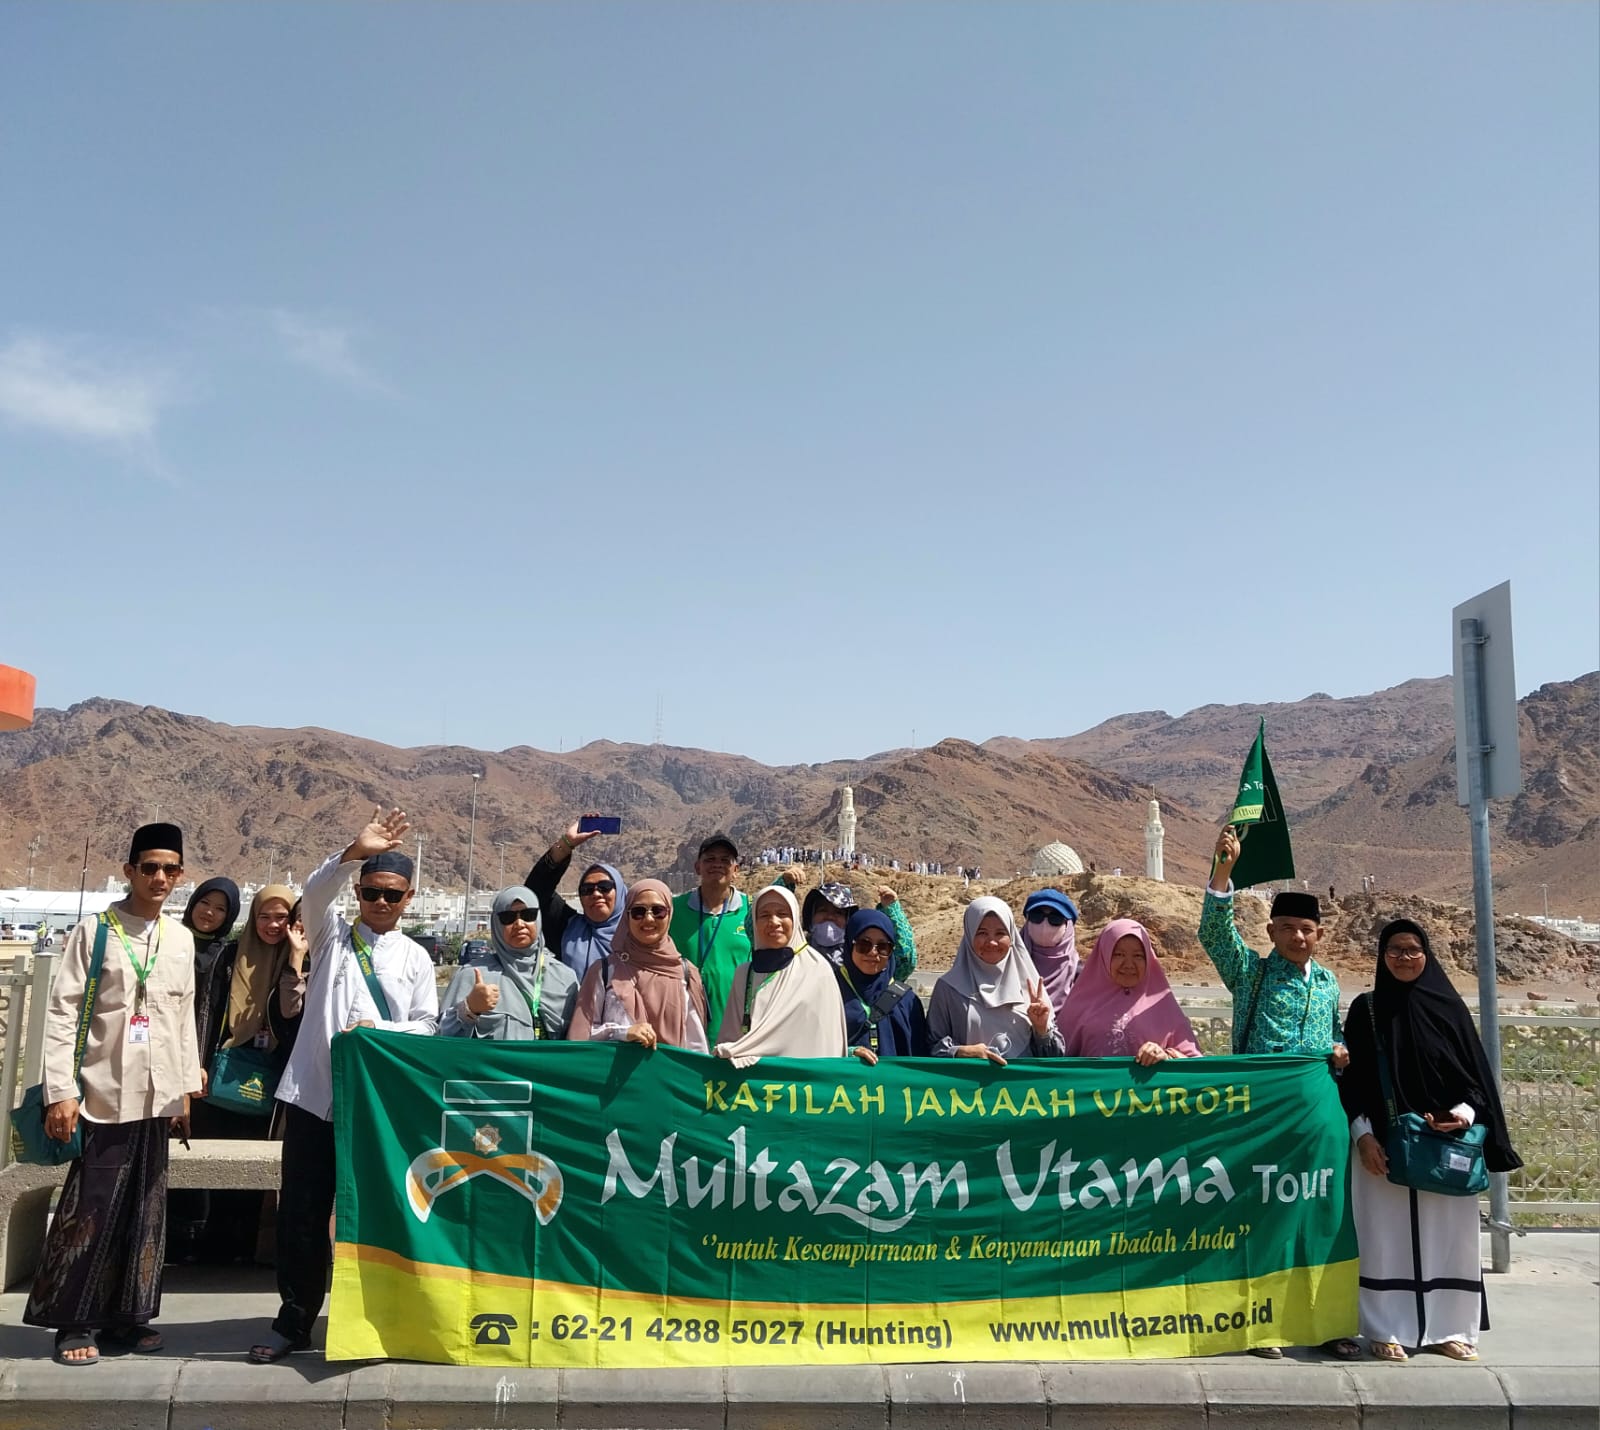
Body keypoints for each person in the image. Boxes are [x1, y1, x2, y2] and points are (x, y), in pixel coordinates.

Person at [250, 808, 438, 1365]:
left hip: (380, 1110)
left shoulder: (416, 957)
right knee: (302, 1215)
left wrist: (379, 1030)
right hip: (315, 1097)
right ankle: (295, 1321)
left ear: (408, 899)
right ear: (358, 892)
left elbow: (428, 1026)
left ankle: (376, 1323)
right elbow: (313, 892)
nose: (381, 902)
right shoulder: (331, 936)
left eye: (392, 895)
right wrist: (354, 852)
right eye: (372, 892)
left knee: (380, 1216)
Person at [25, 822, 202, 1366]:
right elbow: (63, 1014)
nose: (159, 878)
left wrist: (185, 1090)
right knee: (91, 1208)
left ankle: (129, 1316)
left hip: (159, 1097)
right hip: (101, 1093)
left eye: (170, 869)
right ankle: (74, 1321)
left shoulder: (179, 938)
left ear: (180, 875)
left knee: (146, 1210)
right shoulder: (94, 932)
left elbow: (184, 1018)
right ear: (129, 871)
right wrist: (61, 1091)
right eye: (149, 867)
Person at [1200, 825, 1354, 1360]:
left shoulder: (1328, 982)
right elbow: (1215, 934)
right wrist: (1224, 871)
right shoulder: (1251, 974)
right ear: (1270, 930)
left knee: (1320, 1216)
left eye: (1307, 929)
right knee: (1262, 1216)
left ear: (1319, 935)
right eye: (1287, 928)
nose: (1298, 937)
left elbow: (1332, 1032)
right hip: (1262, 1116)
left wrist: (1339, 1049)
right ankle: (1259, 1323)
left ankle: (1327, 1321)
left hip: (1316, 1117)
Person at [1340, 919, 1521, 1362]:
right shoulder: (1367, 1011)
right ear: (1381, 956)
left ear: (1427, 954)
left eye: (1413, 950)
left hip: (1446, 1148)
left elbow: (1476, 1082)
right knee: (1385, 1239)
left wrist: (1460, 1116)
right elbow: (1352, 1082)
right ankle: (1384, 1329)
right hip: (1384, 1148)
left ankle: (1448, 1329)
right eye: (1394, 950)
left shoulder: (1448, 1009)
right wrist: (1363, 1137)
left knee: (1449, 1240)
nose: (1404, 958)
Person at [179, 881, 294, 1264]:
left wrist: (296, 959)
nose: (272, 925)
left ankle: (243, 1247)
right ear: (252, 918)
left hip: (272, 1076)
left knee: (254, 1163)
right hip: (222, 1072)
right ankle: (203, 1245)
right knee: (211, 1155)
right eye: (264, 916)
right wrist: (197, 1063)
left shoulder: (302, 959)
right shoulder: (231, 955)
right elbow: (208, 1010)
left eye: (281, 917)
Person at [715, 886, 862, 1068]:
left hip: (804, 1081)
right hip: (752, 1080)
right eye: (764, 915)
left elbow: (828, 1039)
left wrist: (848, 1052)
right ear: (754, 922)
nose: (774, 922)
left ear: (795, 919)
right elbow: (730, 1036)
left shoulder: (818, 971)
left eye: (782, 914)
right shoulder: (744, 975)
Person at [569, 880, 710, 1051]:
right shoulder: (604, 971)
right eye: (638, 912)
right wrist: (622, 1033)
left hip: (668, 1068)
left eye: (658, 911)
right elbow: (580, 1038)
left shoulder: (686, 974)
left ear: (670, 914)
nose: (648, 919)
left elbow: (696, 1045)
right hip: (614, 1068)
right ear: (626, 916)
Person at [927, 897, 1063, 1063]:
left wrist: (1041, 1031)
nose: (992, 942)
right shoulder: (949, 988)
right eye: (982, 933)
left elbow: (1055, 1059)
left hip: (1022, 1080)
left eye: (1000, 933)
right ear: (969, 935)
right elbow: (930, 1047)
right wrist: (960, 1052)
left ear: (1012, 937)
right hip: (968, 1080)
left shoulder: (1030, 988)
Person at [438, 886, 578, 1040]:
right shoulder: (472, 976)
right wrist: (469, 1009)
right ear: (496, 924)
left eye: (528, 915)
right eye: (508, 918)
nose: (519, 924)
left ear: (538, 919)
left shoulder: (564, 978)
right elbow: (441, 1039)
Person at [1060, 919, 1200, 1062]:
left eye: (1138, 956)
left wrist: (1166, 1056)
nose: (1129, 964)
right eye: (1119, 954)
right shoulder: (1080, 1003)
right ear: (1104, 955)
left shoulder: (1163, 1006)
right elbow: (1057, 1059)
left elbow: (1195, 1064)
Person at [671, 834, 754, 1038]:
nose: (717, 864)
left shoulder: (751, 910)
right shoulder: (673, 910)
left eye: (725, 860)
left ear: (736, 870)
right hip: (685, 1025)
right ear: (697, 867)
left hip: (738, 1027)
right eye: (710, 859)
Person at [523, 818, 627, 978]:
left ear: (620, 893)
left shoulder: (638, 934)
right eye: (587, 889)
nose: (596, 894)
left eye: (604, 887)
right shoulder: (568, 930)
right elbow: (535, 892)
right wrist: (566, 843)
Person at [834, 909, 929, 1058]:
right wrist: (847, 1052)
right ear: (850, 945)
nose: (873, 953)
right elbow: (813, 1044)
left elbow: (920, 1058)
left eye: (883, 947)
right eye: (863, 945)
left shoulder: (907, 1001)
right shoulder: (830, 991)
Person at [802, 881, 918, 981]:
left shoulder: (861, 955)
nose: (830, 917)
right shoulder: (798, 955)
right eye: (822, 910)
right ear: (810, 916)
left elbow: (905, 962)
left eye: (838, 912)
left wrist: (892, 910)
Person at [1019, 889, 1081, 1021]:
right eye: (1037, 916)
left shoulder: (1080, 974)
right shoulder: (1009, 964)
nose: (1044, 925)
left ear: (1068, 926)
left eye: (1055, 918)